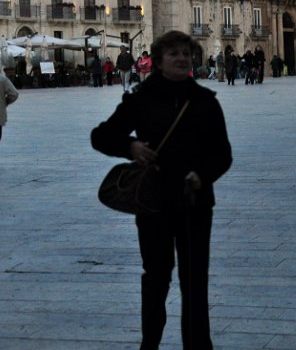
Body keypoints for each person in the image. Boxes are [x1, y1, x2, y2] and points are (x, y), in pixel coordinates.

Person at [91, 30, 233, 350]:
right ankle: (150, 343)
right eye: (174, 53)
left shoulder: (205, 101)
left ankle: (198, 345)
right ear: (158, 60)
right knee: (156, 276)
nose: (182, 59)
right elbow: (101, 136)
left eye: (186, 53)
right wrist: (130, 147)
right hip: (154, 201)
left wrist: (202, 175)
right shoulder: (141, 98)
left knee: (195, 280)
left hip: (195, 201)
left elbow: (223, 154)